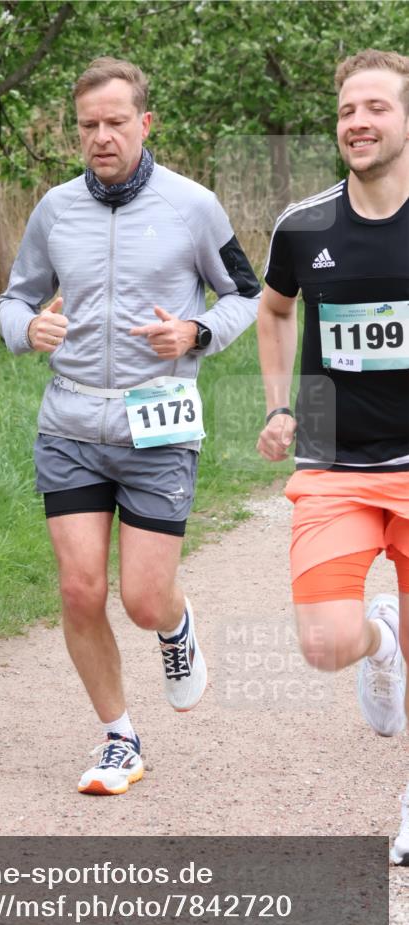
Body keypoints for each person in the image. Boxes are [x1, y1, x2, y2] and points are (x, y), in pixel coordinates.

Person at [0, 57, 260, 795]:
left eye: (116, 122)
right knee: (80, 590)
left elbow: (247, 293)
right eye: (89, 125)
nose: (102, 137)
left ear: (145, 123)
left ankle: (174, 627)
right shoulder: (54, 209)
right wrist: (27, 331)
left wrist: (197, 334)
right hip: (71, 421)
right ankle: (118, 737)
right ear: (75, 130)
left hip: (158, 420)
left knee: (143, 598)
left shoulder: (193, 205)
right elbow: (14, 300)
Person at [256, 49, 408, 864]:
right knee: (322, 644)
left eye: (376, 107)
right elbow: (274, 311)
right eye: (347, 109)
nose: (357, 122)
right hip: (333, 464)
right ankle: (379, 641)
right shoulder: (303, 224)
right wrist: (280, 405)